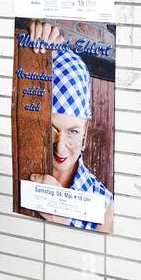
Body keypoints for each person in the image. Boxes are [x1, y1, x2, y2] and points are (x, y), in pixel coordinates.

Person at [26, 20, 114, 232]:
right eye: (51, 129)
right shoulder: (19, 168)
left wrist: (63, 224)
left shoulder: (106, 207)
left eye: (73, 131)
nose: (60, 146)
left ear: (84, 135)